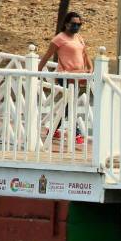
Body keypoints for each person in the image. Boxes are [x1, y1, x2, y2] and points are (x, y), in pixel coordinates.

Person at [38, 11, 92, 145]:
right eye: (73, 24)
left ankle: (54, 128)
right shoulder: (59, 38)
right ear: (66, 24)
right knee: (70, 104)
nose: (76, 27)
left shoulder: (79, 37)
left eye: (79, 24)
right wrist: (37, 72)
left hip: (79, 75)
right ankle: (77, 132)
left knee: (69, 104)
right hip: (65, 75)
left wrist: (90, 67)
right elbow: (47, 55)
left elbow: (84, 54)